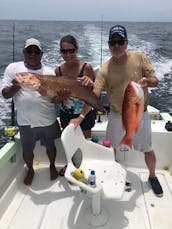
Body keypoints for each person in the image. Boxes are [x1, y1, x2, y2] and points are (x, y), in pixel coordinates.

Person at [71, 25, 163, 197]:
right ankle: (113, 174)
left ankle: (152, 176)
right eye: (113, 42)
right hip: (116, 115)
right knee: (111, 148)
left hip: (139, 114)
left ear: (126, 43)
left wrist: (147, 82)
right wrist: (81, 115)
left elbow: (155, 81)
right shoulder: (105, 69)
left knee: (147, 148)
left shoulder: (140, 57)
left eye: (120, 41)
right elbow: (95, 96)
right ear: (108, 45)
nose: (117, 46)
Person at [1, 38, 65, 186]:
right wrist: (17, 86)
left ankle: (52, 166)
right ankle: (30, 170)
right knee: (27, 149)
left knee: (50, 146)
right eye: (29, 51)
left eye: (36, 51)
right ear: (24, 52)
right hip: (25, 122)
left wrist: (61, 96)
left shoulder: (49, 72)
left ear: (41, 54)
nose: (32, 54)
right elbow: (5, 94)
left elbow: (54, 97)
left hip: (48, 119)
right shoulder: (13, 69)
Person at [55, 35, 95, 176]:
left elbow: (93, 96)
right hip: (66, 113)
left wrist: (91, 83)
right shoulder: (58, 71)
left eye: (71, 51)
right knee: (68, 142)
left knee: (86, 143)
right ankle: (69, 164)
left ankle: (86, 166)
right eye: (64, 51)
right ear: (60, 52)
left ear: (77, 49)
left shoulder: (86, 68)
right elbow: (56, 99)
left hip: (84, 113)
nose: (68, 55)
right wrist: (61, 96)